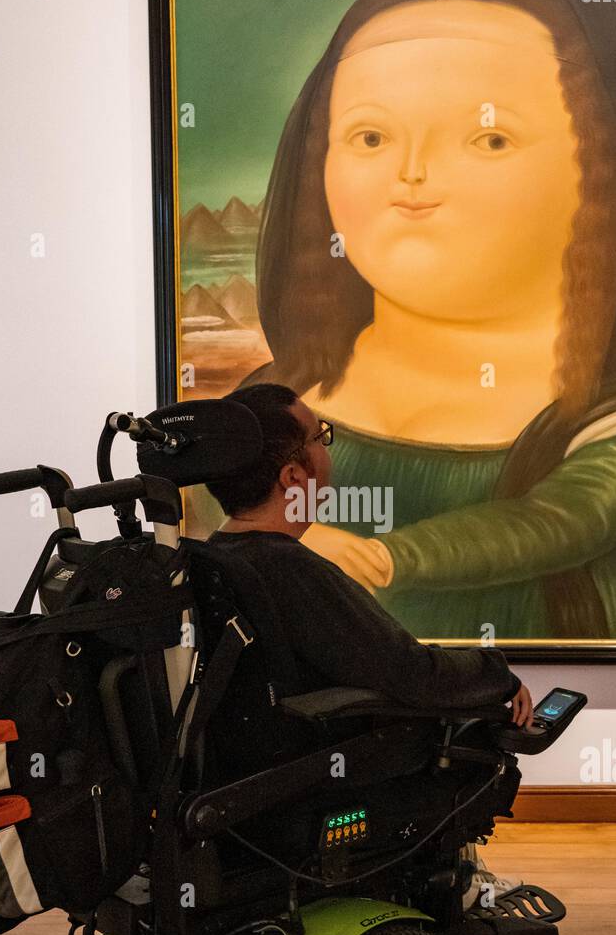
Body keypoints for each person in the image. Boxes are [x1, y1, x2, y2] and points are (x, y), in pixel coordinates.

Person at [233, 0, 616, 645]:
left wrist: (377, 558)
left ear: (609, 173)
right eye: (370, 136)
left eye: (489, 139)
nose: (413, 175)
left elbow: (563, 520)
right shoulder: (267, 407)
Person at [205, 383, 531, 895]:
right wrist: (495, 675)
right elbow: (409, 674)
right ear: (294, 476)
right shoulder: (290, 569)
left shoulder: (211, 560)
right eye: (321, 438)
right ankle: (462, 889)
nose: (327, 451)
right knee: (471, 739)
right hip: (304, 793)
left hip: (239, 795)